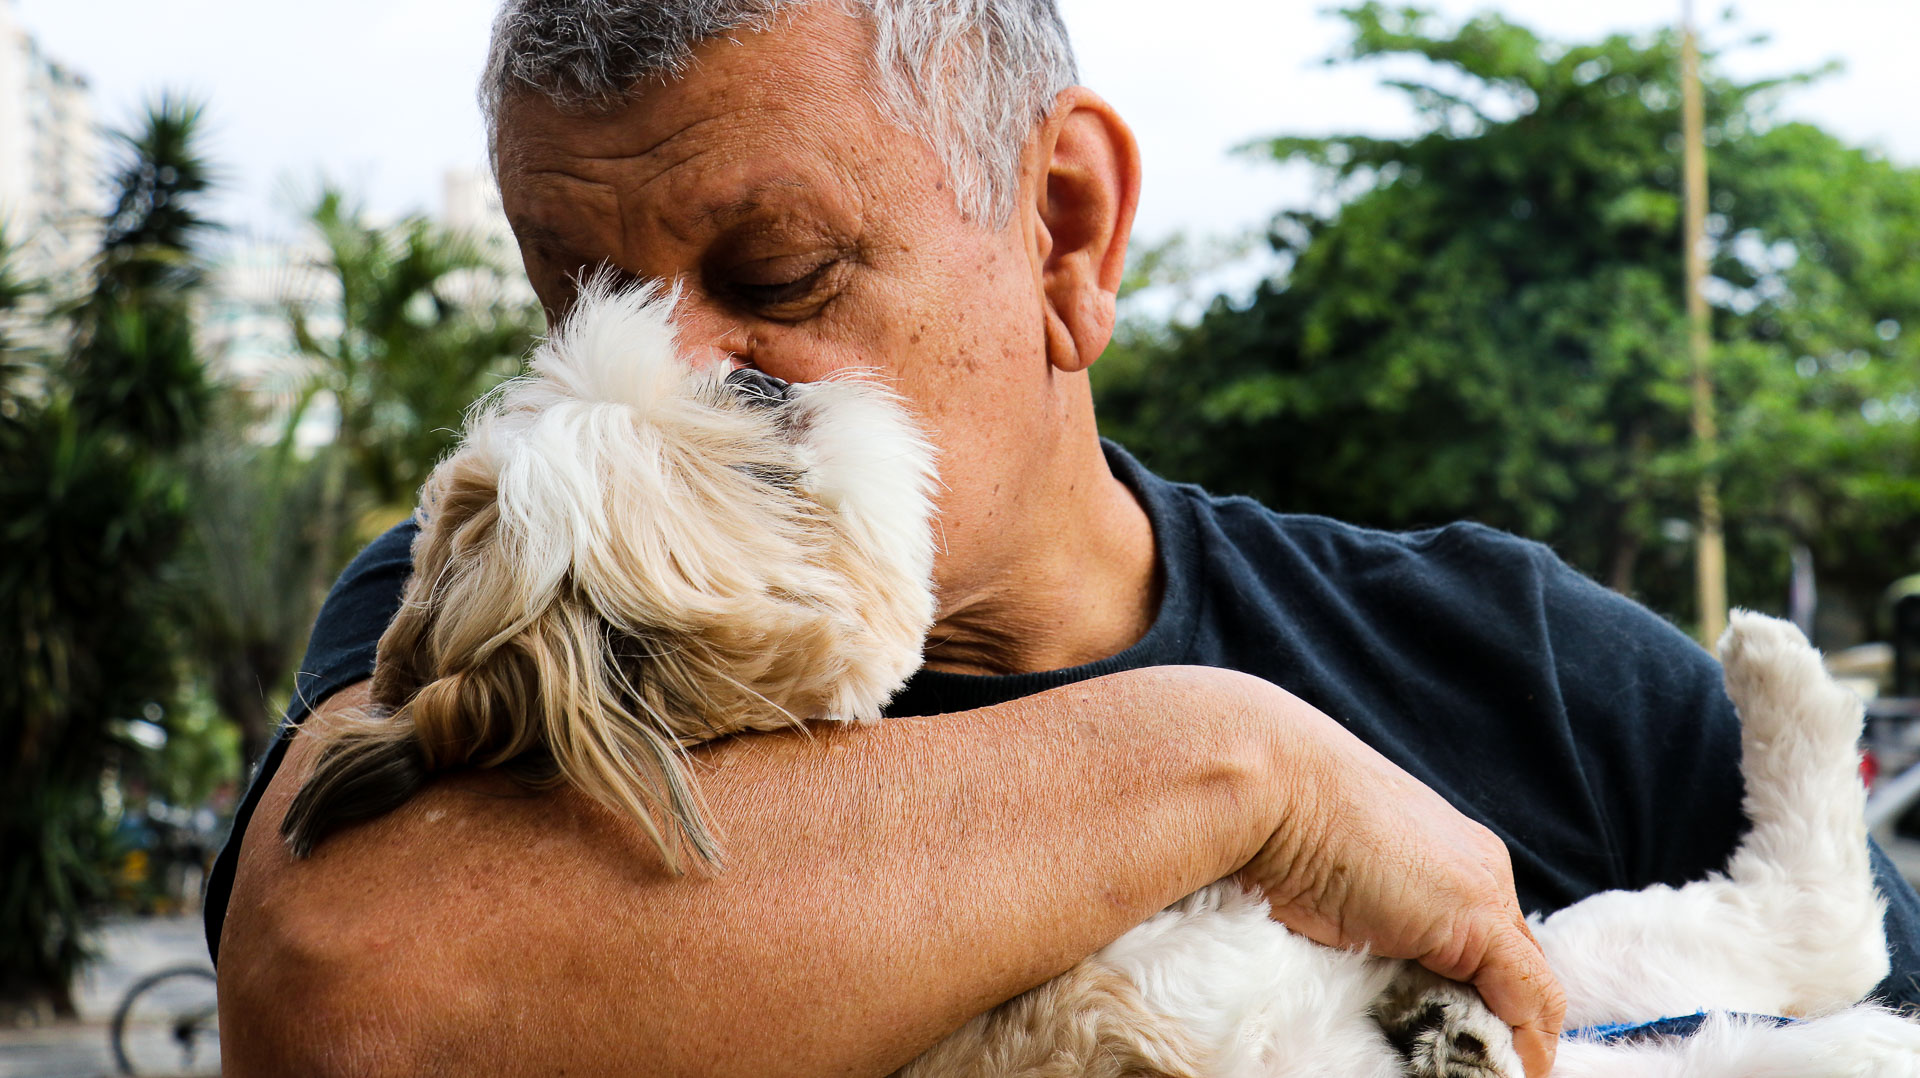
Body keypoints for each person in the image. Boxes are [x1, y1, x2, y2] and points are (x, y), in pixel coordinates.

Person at [208, 2, 1920, 1075]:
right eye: (587, 302)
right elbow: (354, 999)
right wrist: (1238, 765)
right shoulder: (522, 595)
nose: (670, 377)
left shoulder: (1529, 669)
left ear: (1067, 233)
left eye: (780, 278)